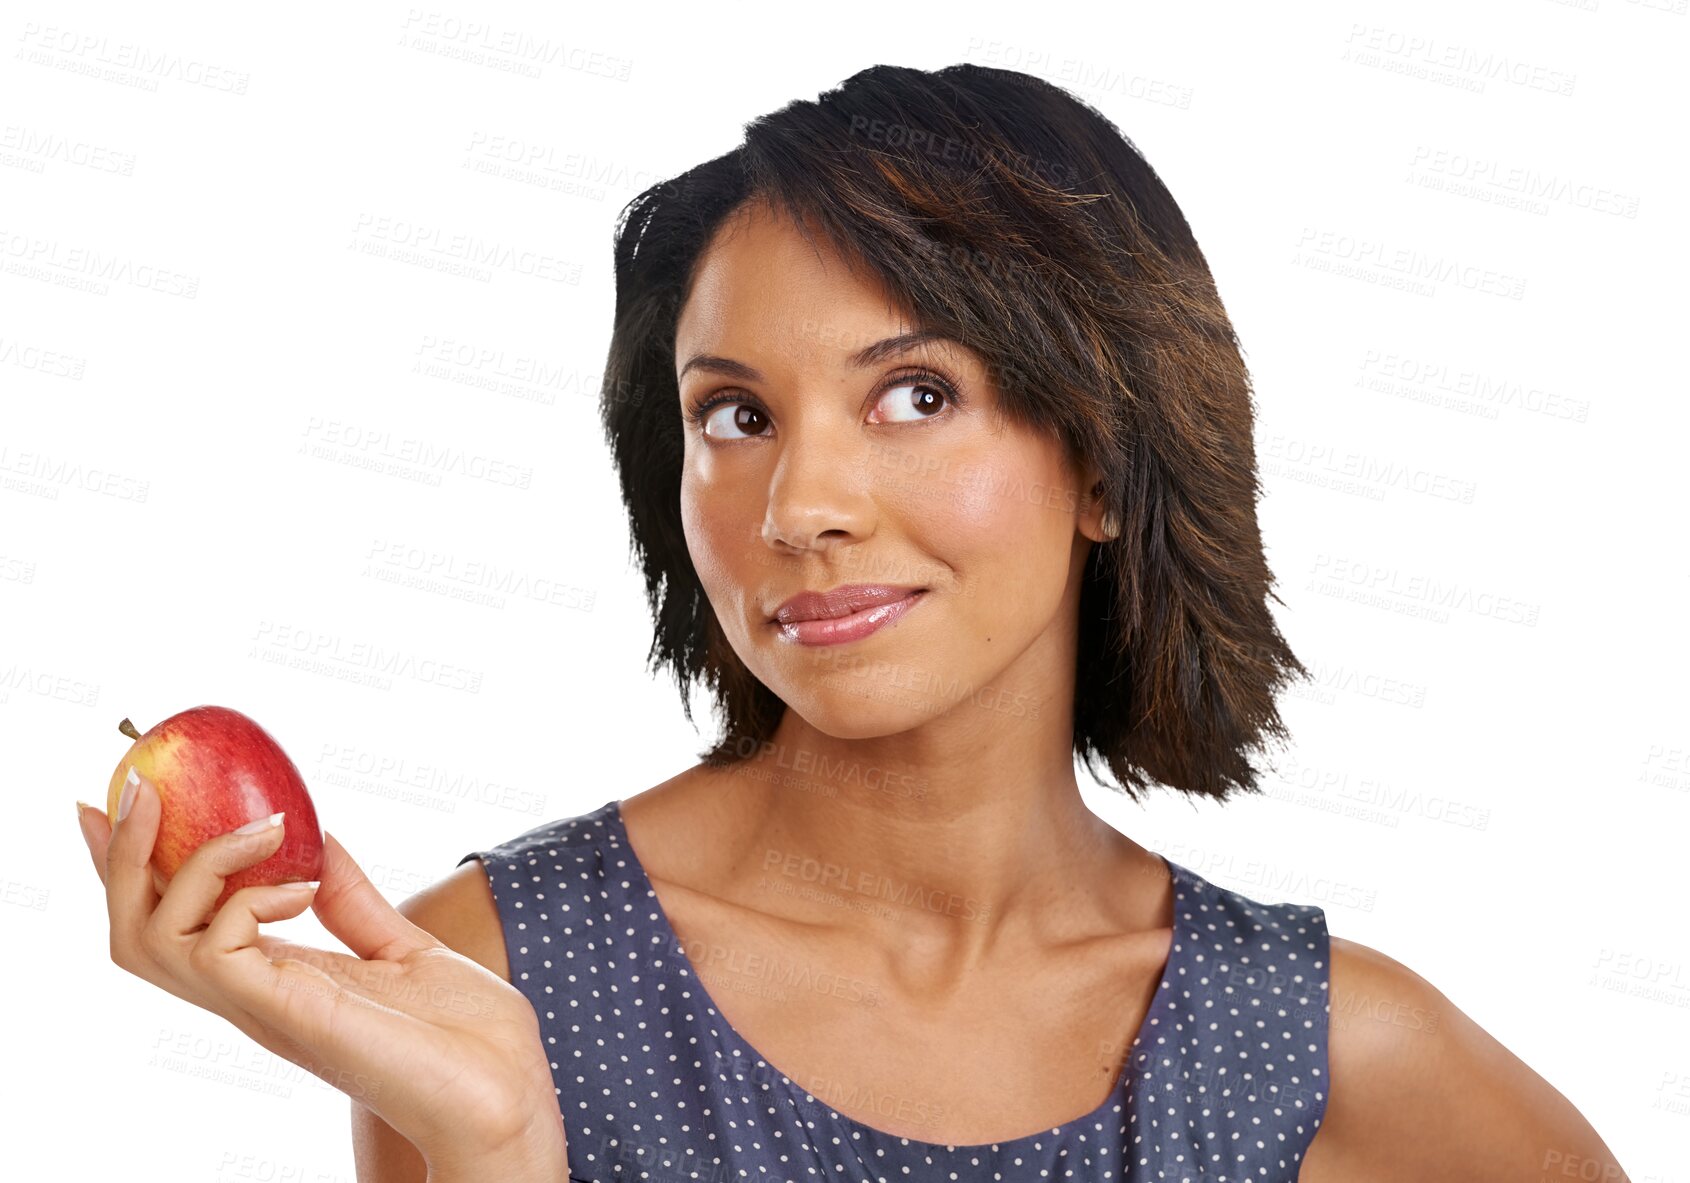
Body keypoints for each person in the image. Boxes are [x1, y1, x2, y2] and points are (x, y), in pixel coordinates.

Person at [78, 63, 1631, 1183]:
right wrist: (492, 1147)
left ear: (1100, 461)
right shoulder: (494, 980)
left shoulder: (1319, 1051)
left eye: (915, 394)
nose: (798, 503)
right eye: (736, 413)